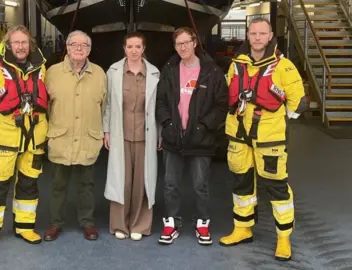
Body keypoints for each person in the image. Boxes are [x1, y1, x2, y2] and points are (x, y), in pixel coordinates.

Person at [219, 18, 307, 261]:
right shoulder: (237, 64)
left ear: (270, 37)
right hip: (239, 136)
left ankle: (283, 238)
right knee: (241, 184)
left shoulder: (284, 66)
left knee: (277, 187)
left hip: (270, 140)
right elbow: (229, 92)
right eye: (253, 33)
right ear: (248, 36)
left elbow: (298, 103)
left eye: (262, 34)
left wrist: (276, 123)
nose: (257, 38)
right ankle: (242, 229)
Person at [0, 25, 49, 251]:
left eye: (24, 42)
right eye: (16, 42)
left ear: (31, 45)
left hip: (34, 140)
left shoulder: (43, 68)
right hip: (4, 141)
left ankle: (24, 227)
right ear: (8, 45)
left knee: (29, 185)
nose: (20, 47)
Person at [155, 27, 229, 246]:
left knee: (200, 185)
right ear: (175, 46)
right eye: (179, 44)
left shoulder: (212, 71)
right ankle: (171, 222)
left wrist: (205, 126)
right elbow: (159, 102)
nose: (183, 47)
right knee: (170, 184)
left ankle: (202, 224)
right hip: (173, 137)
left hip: (201, 139)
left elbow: (221, 104)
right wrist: (167, 124)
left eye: (186, 42)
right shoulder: (169, 70)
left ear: (195, 42)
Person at [43, 30, 107, 241]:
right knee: (58, 185)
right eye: (74, 45)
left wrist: (105, 132)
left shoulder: (99, 73)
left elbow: (105, 107)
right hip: (62, 137)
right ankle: (55, 223)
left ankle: (87, 223)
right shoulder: (51, 72)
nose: (79, 49)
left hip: (88, 138)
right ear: (67, 48)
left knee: (87, 185)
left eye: (84, 45)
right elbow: (43, 107)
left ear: (89, 49)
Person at [102, 32, 161, 241]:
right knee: (122, 181)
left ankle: (139, 224)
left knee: (142, 181)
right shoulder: (114, 72)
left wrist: (160, 134)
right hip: (121, 134)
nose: (134, 51)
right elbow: (108, 104)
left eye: (138, 46)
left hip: (146, 136)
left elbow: (158, 108)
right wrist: (106, 131)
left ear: (144, 48)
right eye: (130, 47)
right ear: (124, 48)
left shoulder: (154, 73)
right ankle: (119, 224)